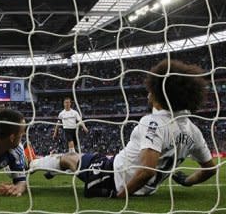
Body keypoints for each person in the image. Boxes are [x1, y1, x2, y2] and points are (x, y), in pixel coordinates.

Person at [31, 59, 217, 198]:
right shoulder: (194, 131)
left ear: (160, 93)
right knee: (78, 158)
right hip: (145, 190)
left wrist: (120, 196)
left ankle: (35, 165)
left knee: (69, 158)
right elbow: (210, 170)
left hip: (111, 176)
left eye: (151, 90)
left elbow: (147, 170)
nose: (147, 94)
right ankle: (53, 168)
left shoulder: (153, 122)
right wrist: (187, 181)